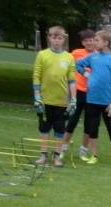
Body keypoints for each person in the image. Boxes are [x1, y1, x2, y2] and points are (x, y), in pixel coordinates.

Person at [74, 31, 111, 166]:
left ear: (106, 42)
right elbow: (78, 64)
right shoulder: (93, 57)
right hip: (92, 99)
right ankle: (93, 155)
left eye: (97, 40)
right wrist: (85, 74)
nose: (94, 43)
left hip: (108, 101)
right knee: (93, 128)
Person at [31, 25, 77, 168]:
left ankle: (57, 156)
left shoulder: (69, 57)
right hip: (45, 100)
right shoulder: (42, 55)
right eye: (54, 37)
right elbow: (37, 76)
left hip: (62, 101)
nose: (57, 40)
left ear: (64, 39)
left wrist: (74, 100)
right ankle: (43, 155)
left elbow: (72, 80)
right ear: (49, 38)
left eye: (60, 38)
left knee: (59, 128)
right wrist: (37, 97)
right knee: (44, 127)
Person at [62, 29, 95, 160]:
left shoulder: (98, 55)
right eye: (86, 41)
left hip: (92, 93)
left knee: (89, 123)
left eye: (91, 40)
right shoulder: (77, 53)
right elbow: (68, 63)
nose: (89, 43)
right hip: (78, 91)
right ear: (82, 42)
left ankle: (83, 150)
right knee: (72, 120)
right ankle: (63, 148)